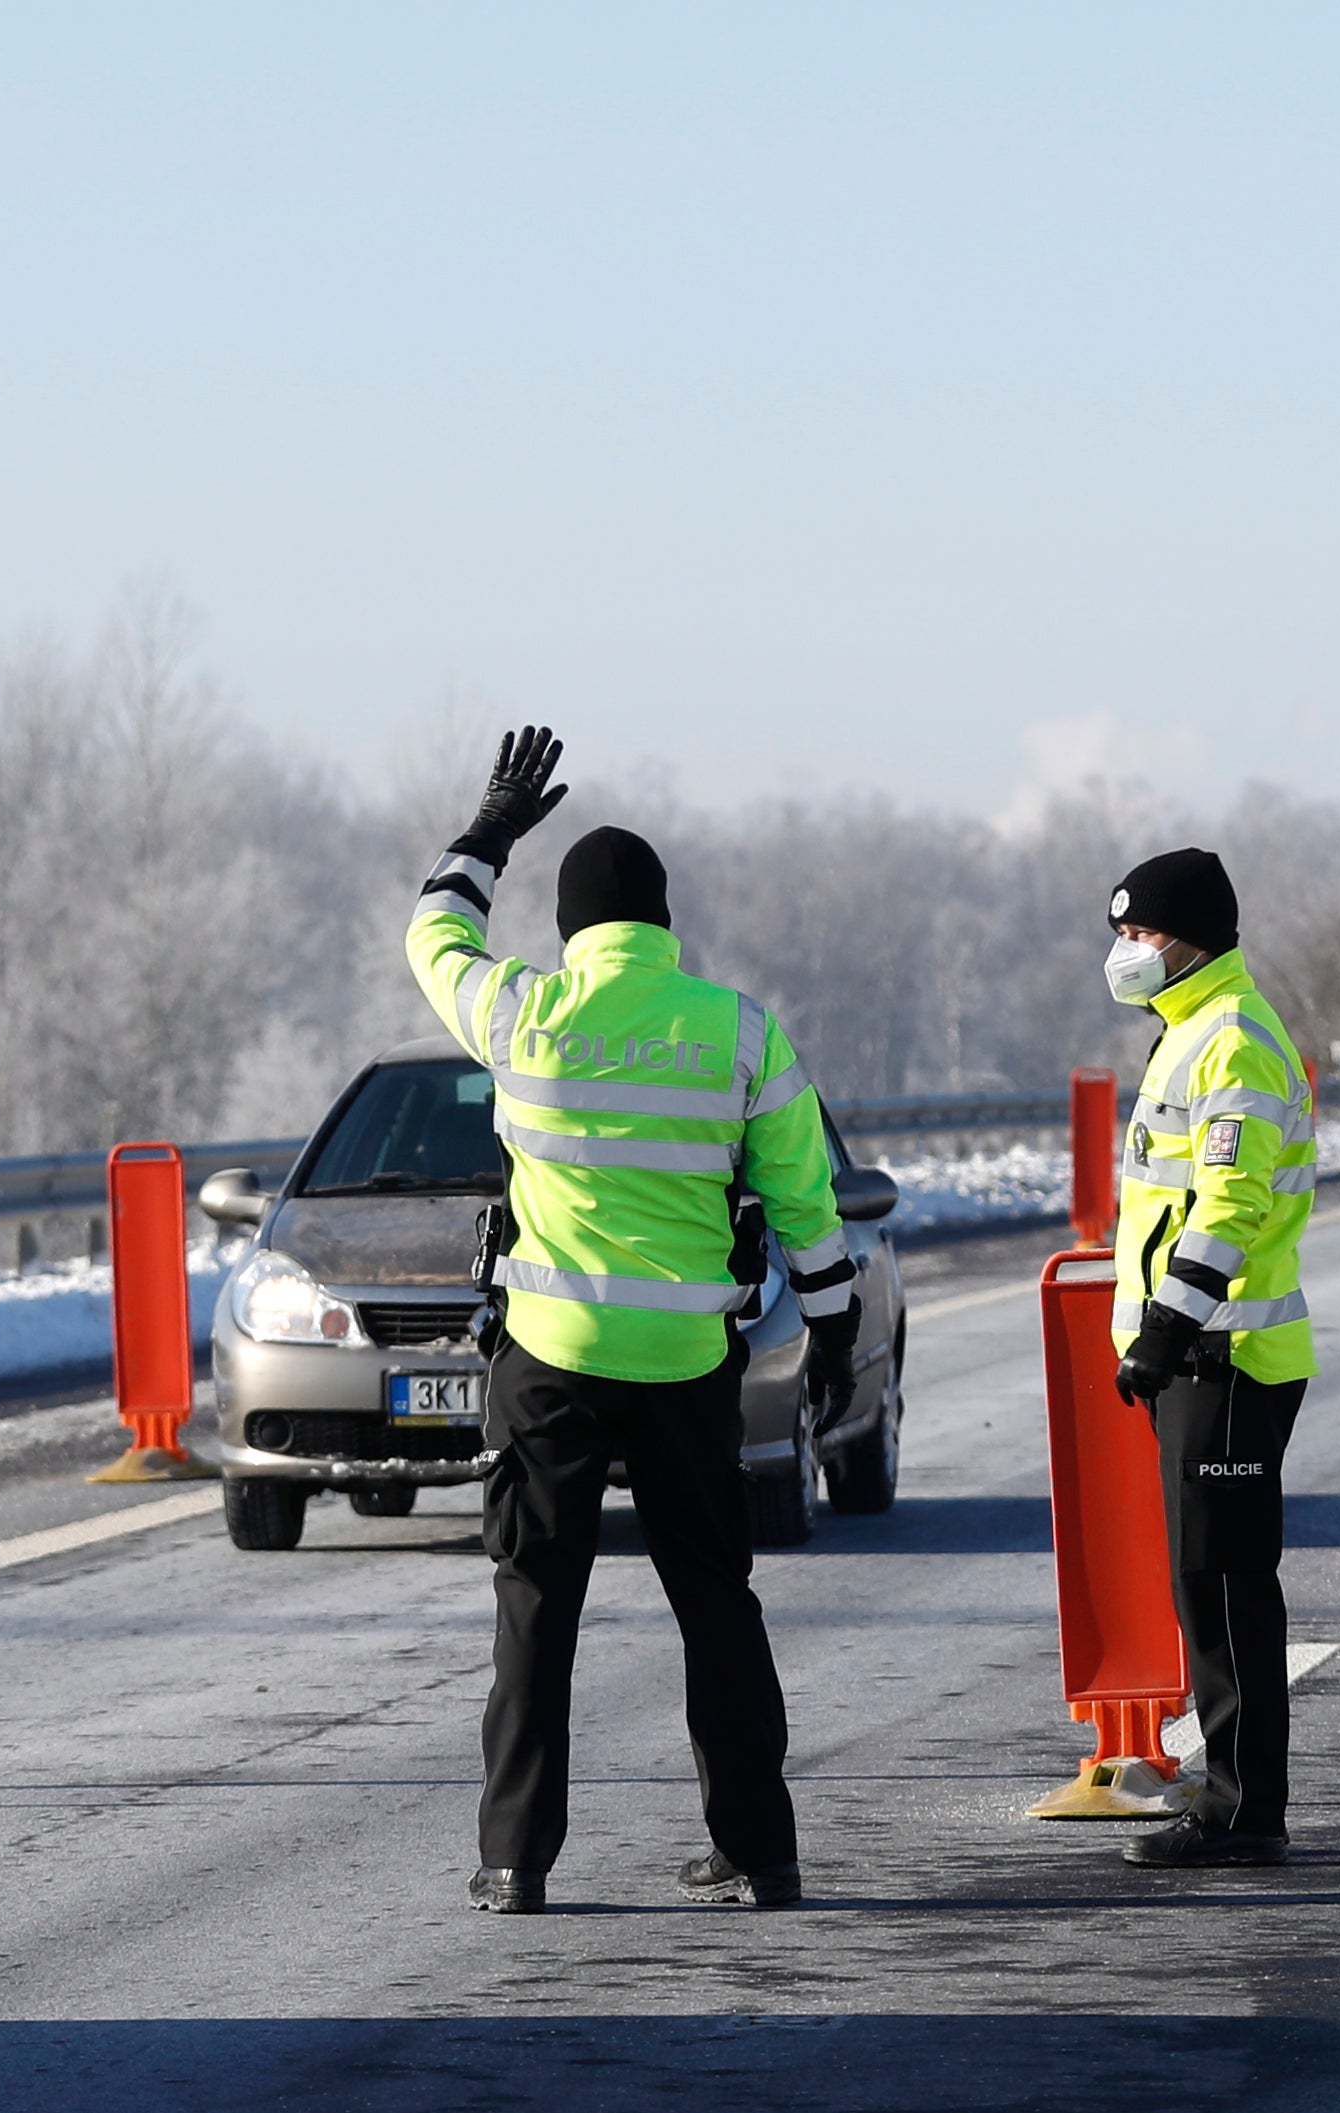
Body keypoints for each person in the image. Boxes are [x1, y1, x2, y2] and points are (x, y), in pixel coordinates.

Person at [406, 728, 861, 1915]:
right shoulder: (740, 1031)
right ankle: (761, 1852)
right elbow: (807, 1201)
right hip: (684, 1365)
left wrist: (487, 835)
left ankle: (514, 1860)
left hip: (550, 1359)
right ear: (663, 924)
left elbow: (432, 935)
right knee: (715, 1601)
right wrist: (837, 1328)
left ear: (571, 928)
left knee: (534, 1606)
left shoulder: (525, 1014)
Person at [1103, 848, 1318, 1868]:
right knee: (1207, 1583)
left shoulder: (1228, 1041)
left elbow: (1227, 1207)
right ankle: (1237, 1793)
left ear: (1191, 937)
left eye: (1140, 933)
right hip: (1205, 1355)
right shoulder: (1189, 1031)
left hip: (1225, 1357)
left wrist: (1167, 1327)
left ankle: (1242, 1810)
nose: (1125, 951)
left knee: (1226, 1586)